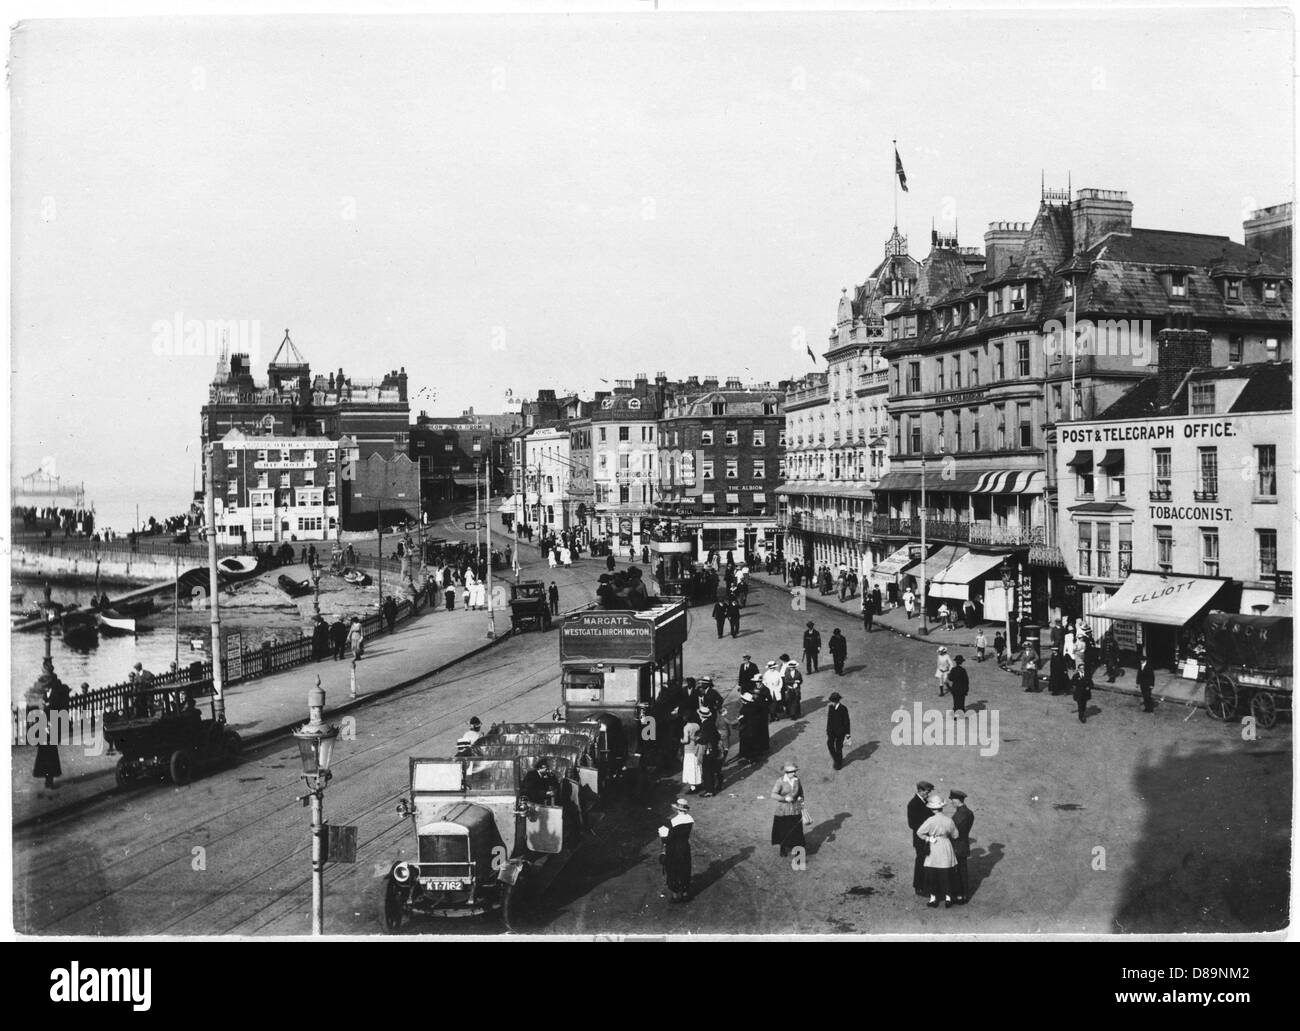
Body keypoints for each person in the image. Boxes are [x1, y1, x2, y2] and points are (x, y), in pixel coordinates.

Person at [916, 793, 959, 908]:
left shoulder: (930, 820)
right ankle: (948, 898)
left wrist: (929, 838)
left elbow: (919, 832)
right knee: (946, 872)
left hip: (934, 846)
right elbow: (955, 835)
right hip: (945, 846)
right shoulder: (948, 820)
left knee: (932, 872)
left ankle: (933, 898)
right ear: (941, 808)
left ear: (932, 809)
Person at [33, 675, 70, 789]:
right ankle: (47, 778)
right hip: (43, 728)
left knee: (51, 754)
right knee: (44, 754)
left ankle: (50, 780)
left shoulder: (57, 694)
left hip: (52, 727)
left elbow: (62, 710)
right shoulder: (43, 695)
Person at [658, 798, 694, 903]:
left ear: (677, 809)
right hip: (685, 847)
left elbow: (668, 839)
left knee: (673, 871)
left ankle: (675, 895)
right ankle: (685, 894)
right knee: (685, 869)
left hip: (673, 849)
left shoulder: (673, 822)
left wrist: (662, 836)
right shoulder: (690, 819)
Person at [771, 763, 806, 857]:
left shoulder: (797, 780)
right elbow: (773, 794)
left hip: (795, 809)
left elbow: (801, 793)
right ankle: (782, 848)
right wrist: (784, 798)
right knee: (784, 830)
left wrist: (800, 799)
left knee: (796, 830)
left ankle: (797, 850)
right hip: (783, 811)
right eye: (792, 772)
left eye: (795, 771)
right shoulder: (780, 781)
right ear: (787, 772)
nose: (794, 773)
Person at [908, 780, 935, 896]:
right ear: (920, 790)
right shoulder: (913, 803)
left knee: (926, 861)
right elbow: (912, 824)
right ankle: (919, 886)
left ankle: (924, 885)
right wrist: (927, 829)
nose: (928, 794)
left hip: (926, 837)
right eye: (927, 792)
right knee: (921, 861)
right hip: (920, 838)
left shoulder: (924, 802)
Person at [950, 789, 974, 904]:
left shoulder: (961, 814)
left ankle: (959, 896)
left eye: (952, 799)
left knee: (958, 872)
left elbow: (954, 831)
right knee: (962, 871)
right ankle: (964, 895)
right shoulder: (969, 812)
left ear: (958, 800)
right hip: (963, 845)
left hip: (957, 845)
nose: (951, 802)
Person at [736, 692, 764, 763]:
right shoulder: (754, 707)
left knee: (747, 743)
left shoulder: (744, 709)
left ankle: (749, 758)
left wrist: (738, 718)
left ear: (745, 701)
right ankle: (754, 757)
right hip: (754, 728)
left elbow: (742, 720)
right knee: (753, 743)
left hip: (747, 729)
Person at [826, 691, 851, 770]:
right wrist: (828, 730)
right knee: (829, 744)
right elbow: (829, 720)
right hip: (831, 732)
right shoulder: (831, 708)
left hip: (840, 732)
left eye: (833, 701)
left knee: (838, 748)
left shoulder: (843, 708)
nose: (832, 703)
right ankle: (837, 759)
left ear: (837, 701)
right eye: (832, 701)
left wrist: (847, 734)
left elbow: (847, 722)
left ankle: (838, 763)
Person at [680, 719, 704, 794]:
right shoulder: (697, 725)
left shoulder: (686, 727)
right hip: (696, 748)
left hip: (689, 749)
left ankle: (693, 787)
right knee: (697, 766)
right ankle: (699, 783)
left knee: (690, 768)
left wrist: (681, 740)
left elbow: (686, 740)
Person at [779, 653, 803, 719]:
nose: (792, 668)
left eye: (793, 667)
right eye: (791, 667)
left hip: (795, 688)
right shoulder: (786, 670)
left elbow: (800, 680)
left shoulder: (797, 673)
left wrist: (798, 683)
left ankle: (796, 714)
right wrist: (794, 682)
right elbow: (786, 680)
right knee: (788, 699)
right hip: (787, 686)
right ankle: (790, 712)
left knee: (796, 700)